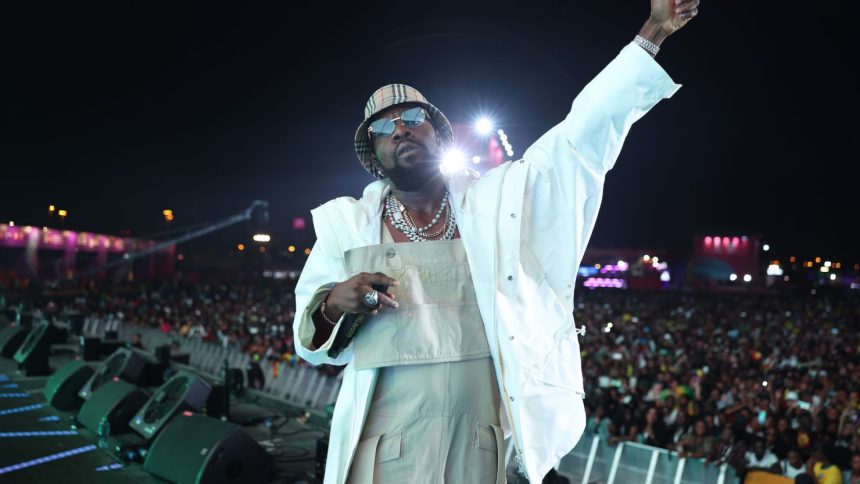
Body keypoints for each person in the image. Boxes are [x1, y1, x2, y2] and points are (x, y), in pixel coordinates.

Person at [292, 1, 700, 482]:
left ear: (438, 134)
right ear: (374, 155)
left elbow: (576, 142)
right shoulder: (346, 225)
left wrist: (653, 31)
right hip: (386, 441)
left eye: (413, 118)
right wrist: (333, 305)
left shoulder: (497, 204)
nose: (400, 128)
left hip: (481, 440)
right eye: (383, 127)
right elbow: (311, 341)